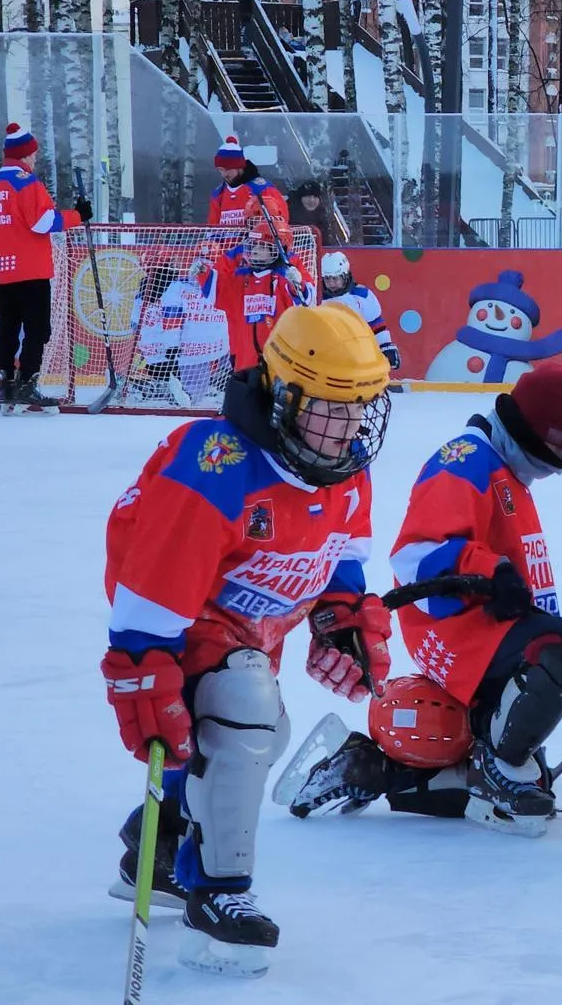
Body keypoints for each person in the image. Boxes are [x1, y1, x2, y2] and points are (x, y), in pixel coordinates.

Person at [100, 304, 395, 979]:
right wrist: (146, 667)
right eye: (331, 408)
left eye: (362, 407)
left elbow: (343, 549)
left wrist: (341, 613)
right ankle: (218, 898)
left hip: (255, 622)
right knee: (241, 715)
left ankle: (156, 839)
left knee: (256, 732)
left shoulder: (342, 461)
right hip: (187, 613)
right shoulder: (214, 465)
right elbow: (149, 597)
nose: (350, 426)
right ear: (285, 394)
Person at [281, 364, 562, 839]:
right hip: (458, 629)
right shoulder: (466, 461)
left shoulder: (508, 468)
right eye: (558, 445)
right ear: (533, 429)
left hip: (494, 625)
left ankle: (376, 769)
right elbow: (415, 558)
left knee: (537, 722)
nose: (557, 460)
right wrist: (489, 571)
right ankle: (499, 766)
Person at [0, 121, 91, 415]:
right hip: (31, 269)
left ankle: (5, 386)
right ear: (26, 155)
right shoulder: (26, 182)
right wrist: (77, 216)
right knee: (37, 329)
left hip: (2, 270)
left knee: (7, 327)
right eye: (33, 155)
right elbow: (43, 222)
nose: (35, 159)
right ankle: (28, 383)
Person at [205, 222, 304, 372]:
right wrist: (203, 274)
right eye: (253, 245)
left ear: (277, 250)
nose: (255, 250)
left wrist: (297, 285)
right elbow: (219, 292)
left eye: (262, 246)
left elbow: (304, 303)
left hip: (280, 362)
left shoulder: (284, 276)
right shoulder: (240, 277)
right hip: (245, 362)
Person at [318, 252, 400, 374]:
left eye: (335, 278)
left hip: (357, 354)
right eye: (327, 279)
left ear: (345, 276)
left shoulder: (362, 296)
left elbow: (376, 326)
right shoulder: (316, 298)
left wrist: (386, 347)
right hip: (325, 355)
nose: (331, 283)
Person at [206, 135, 289, 237]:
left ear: (240, 167)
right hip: (225, 251)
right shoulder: (218, 195)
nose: (224, 174)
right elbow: (213, 231)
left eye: (228, 169)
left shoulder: (262, 189)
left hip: (255, 250)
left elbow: (280, 224)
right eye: (221, 170)